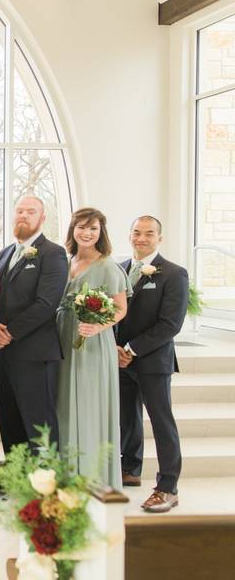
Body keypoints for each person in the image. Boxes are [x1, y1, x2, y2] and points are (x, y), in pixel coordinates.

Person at [117, 216, 187, 513]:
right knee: (127, 418)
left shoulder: (174, 274)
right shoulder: (119, 269)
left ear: (160, 238)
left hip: (153, 361)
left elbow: (170, 325)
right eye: (136, 232)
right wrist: (116, 349)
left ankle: (167, 486)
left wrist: (132, 349)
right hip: (120, 359)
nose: (141, 238)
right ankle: (130, 469)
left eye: (149, 233)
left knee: (161, 423)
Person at [56, 208, 128, 489]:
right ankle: (67, 472)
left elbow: (121, 309)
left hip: (93, 343)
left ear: (101, 233)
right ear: (72, 229)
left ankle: (92, 474)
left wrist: (98, 327)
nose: (87, 233)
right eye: (81, 227)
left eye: (93, 228)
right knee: (64, 403)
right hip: (63, 338)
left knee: (89, 404)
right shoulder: (65, 261)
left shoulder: (108, 266)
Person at [0, 196, 67, 454]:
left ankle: (46, 482)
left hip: (34, 353)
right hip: (2, 353)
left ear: (42, 218)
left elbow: (46, 304)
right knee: (9, 418)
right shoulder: (5, 253)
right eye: (19, 211)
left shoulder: (53, 253)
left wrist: (9, 333)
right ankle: (17, 478)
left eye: (31, 211)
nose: (23, 215)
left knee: (39, 422)